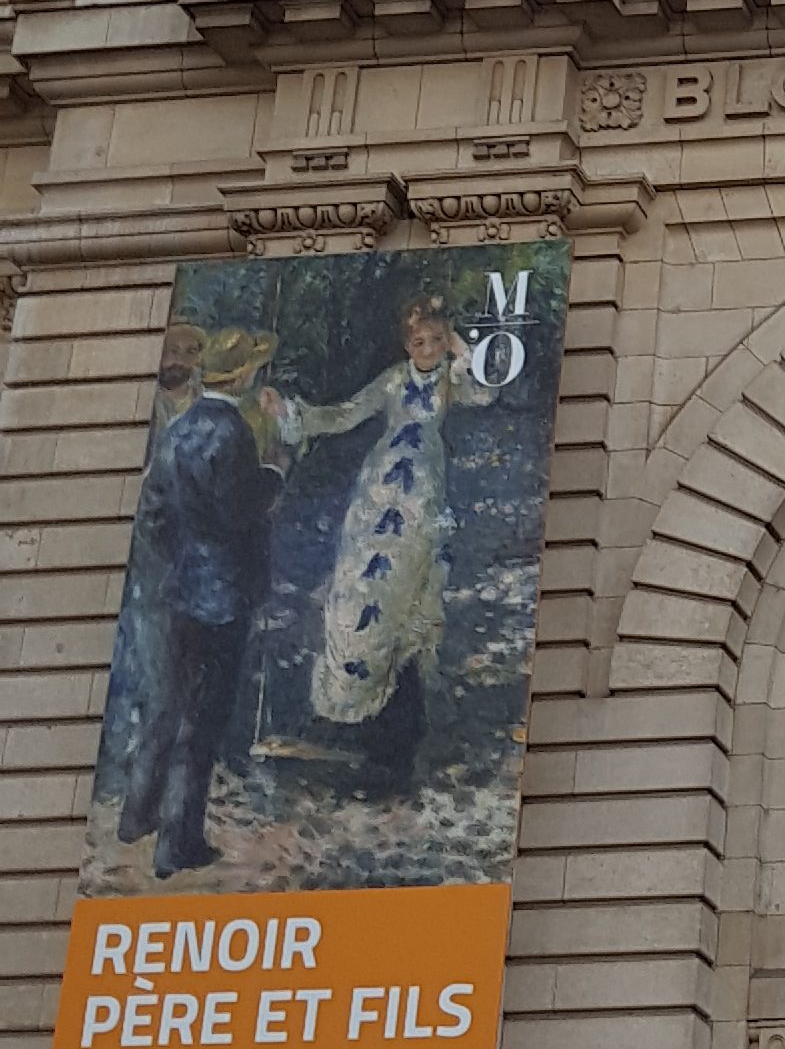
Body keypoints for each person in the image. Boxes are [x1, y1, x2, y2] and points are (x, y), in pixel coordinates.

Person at [283, 294, 499, 790]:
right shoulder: (393, 381)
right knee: (356, 592)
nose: (428, 349)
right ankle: (345, 709)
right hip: (377, 495)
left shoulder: (450, 380)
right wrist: (299, 416)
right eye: (419, 341)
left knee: (404, 598)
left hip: (421, 499)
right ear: (406, 343)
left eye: (437, 340)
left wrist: (463, 353)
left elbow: (484, 395)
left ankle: (395, 731)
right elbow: (345, 414)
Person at [113, 325, 285, 876]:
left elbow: (153, 514)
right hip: (223, 597)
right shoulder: (231, 431)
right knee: (201, 721)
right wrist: (275, 471)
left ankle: (135, 817)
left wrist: (182, 558)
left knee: (169, 707)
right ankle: (178, 843)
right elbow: (239, 511)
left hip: (181, 589)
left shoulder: (180, 428)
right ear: (244, 375)